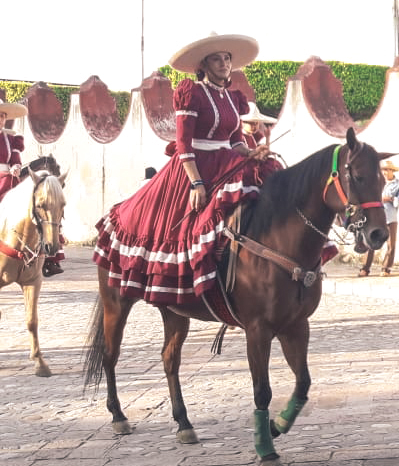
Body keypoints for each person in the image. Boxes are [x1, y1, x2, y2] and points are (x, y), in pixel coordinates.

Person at [93, 32, 284, 304]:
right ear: (203, 66)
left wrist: (253, 152)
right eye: (216, 59)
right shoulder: (191, 92)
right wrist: (196, 183)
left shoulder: (233, 98)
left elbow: (234, 140)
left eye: (227, 58)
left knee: (268, 174)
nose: (224, 64)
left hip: (227, 160)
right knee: (189, 224)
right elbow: (183, 144)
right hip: (194, 165)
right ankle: (198, 273)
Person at [0, 97, 65, 276]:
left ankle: (49, 257)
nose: (1, 119)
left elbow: (15, 159)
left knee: (38, 206)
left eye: (3, 116)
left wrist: (15, 166)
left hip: (9, 178)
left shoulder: (11, 139)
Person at [360, 159, 399, 276]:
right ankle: (365, 268)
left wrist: (389, 199)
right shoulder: (376, 182)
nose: (384, 172)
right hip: (375, 218)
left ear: (392, 171)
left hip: (390, 217)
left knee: (391, 244)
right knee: (371, 242)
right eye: (383, 170)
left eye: (386, 170)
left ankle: (386, 268)